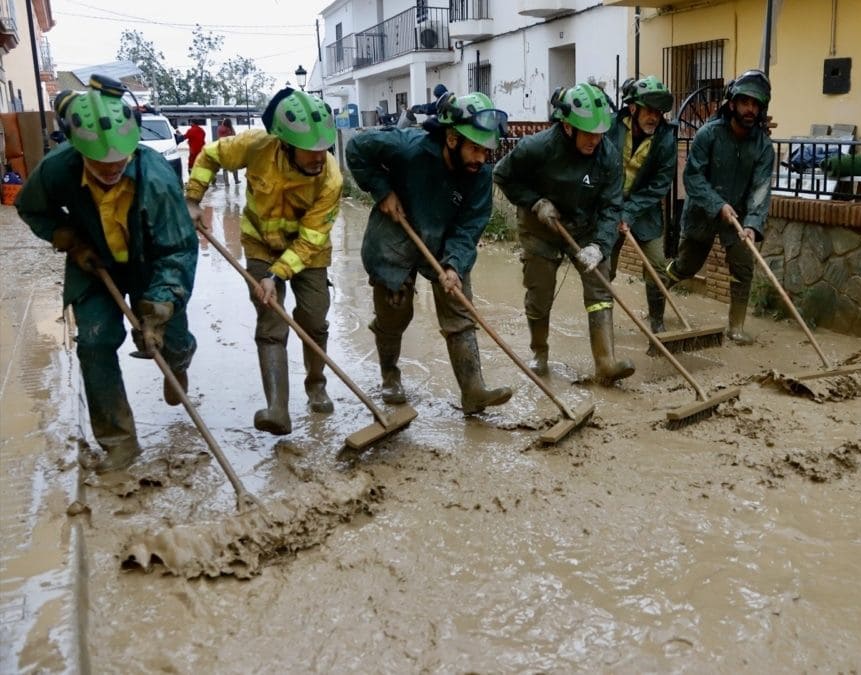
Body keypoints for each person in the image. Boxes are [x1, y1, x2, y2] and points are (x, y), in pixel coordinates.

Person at [16, 77, 198, 472]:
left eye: (122, 157)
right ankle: (119, 443)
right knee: (95, 342)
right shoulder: (56, 171)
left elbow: (179, 248)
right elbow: (30, 209)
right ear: (79, 150)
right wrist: (66, 237)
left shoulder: (156, 177)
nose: (115, 164)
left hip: (151, 262)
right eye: (102, 160)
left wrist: (161, 303)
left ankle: (179, 363)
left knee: (172, 341)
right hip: (93, 262)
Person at [185, 87, 342, 436]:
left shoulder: (331, 178)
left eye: (323, 148)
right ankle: (277, 408)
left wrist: (278, 273)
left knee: (314, 320)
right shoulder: (257, 146)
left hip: (308, 252)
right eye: (310, 150)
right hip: (259, 244)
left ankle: (316, 384)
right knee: (271, 320)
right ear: (285, 144)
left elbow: (312, 237)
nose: (319, 156)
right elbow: (210, 156)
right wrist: (194, 198)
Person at [345, 91, 512, 413]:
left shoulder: (480, 176)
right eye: (475, 148)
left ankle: (473, 391)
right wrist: (382, 191)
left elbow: (470, 225)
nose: (481, 157)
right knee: (394, 315)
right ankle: (390, 375)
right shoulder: (408, 147)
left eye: (486, 150)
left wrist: (453, 265)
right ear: (452, 138)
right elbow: (356, 148)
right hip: (396, 233)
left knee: (460, 312)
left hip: (444, 241)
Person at [493, 81, 634, 385]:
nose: (595, 141)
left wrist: (600, 245)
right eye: (588, 134)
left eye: (599, 134)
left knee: (600, 284)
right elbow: (501, 174)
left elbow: (612, 207)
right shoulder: (537, 147)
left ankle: (605, 362)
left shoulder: (608, 156)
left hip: (584, 226)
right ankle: (539, 354)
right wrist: (535, 202)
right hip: (540, 227)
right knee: (540, 292)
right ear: (568, 127)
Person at [664, 69, 775, 345]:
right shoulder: (708, 134)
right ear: (732, 103)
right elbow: (692, 177)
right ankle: (659, 292)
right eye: (745, 102)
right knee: (686, 266)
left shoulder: (763, 146)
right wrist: (717, 204)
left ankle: (735, 327)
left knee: (744, 267)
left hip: (737, 216)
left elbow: (761, 188)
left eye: (755, 104)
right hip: (703, 210)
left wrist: (752, 224)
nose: (750, 109)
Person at [605, 75, 677, 333]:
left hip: (644, 210)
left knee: (657, 266)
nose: (654, 117)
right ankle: (602, 324)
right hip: (608, 207)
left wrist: (631, 212)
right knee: (604, 268)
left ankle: (656, 324)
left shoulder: (667, 138)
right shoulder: (610, 128)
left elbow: (660, 184)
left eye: (658, 112)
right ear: (633, 108)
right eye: (649, 110)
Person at [215, 118, 238, 185]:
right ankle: (236, 180)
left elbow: (219, 137)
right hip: (231, 149)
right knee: (234, 165)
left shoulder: (220, 128)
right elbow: (235, 137)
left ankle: (226, 183)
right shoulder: (231, 129)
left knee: (224, 168)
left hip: (222, 148)